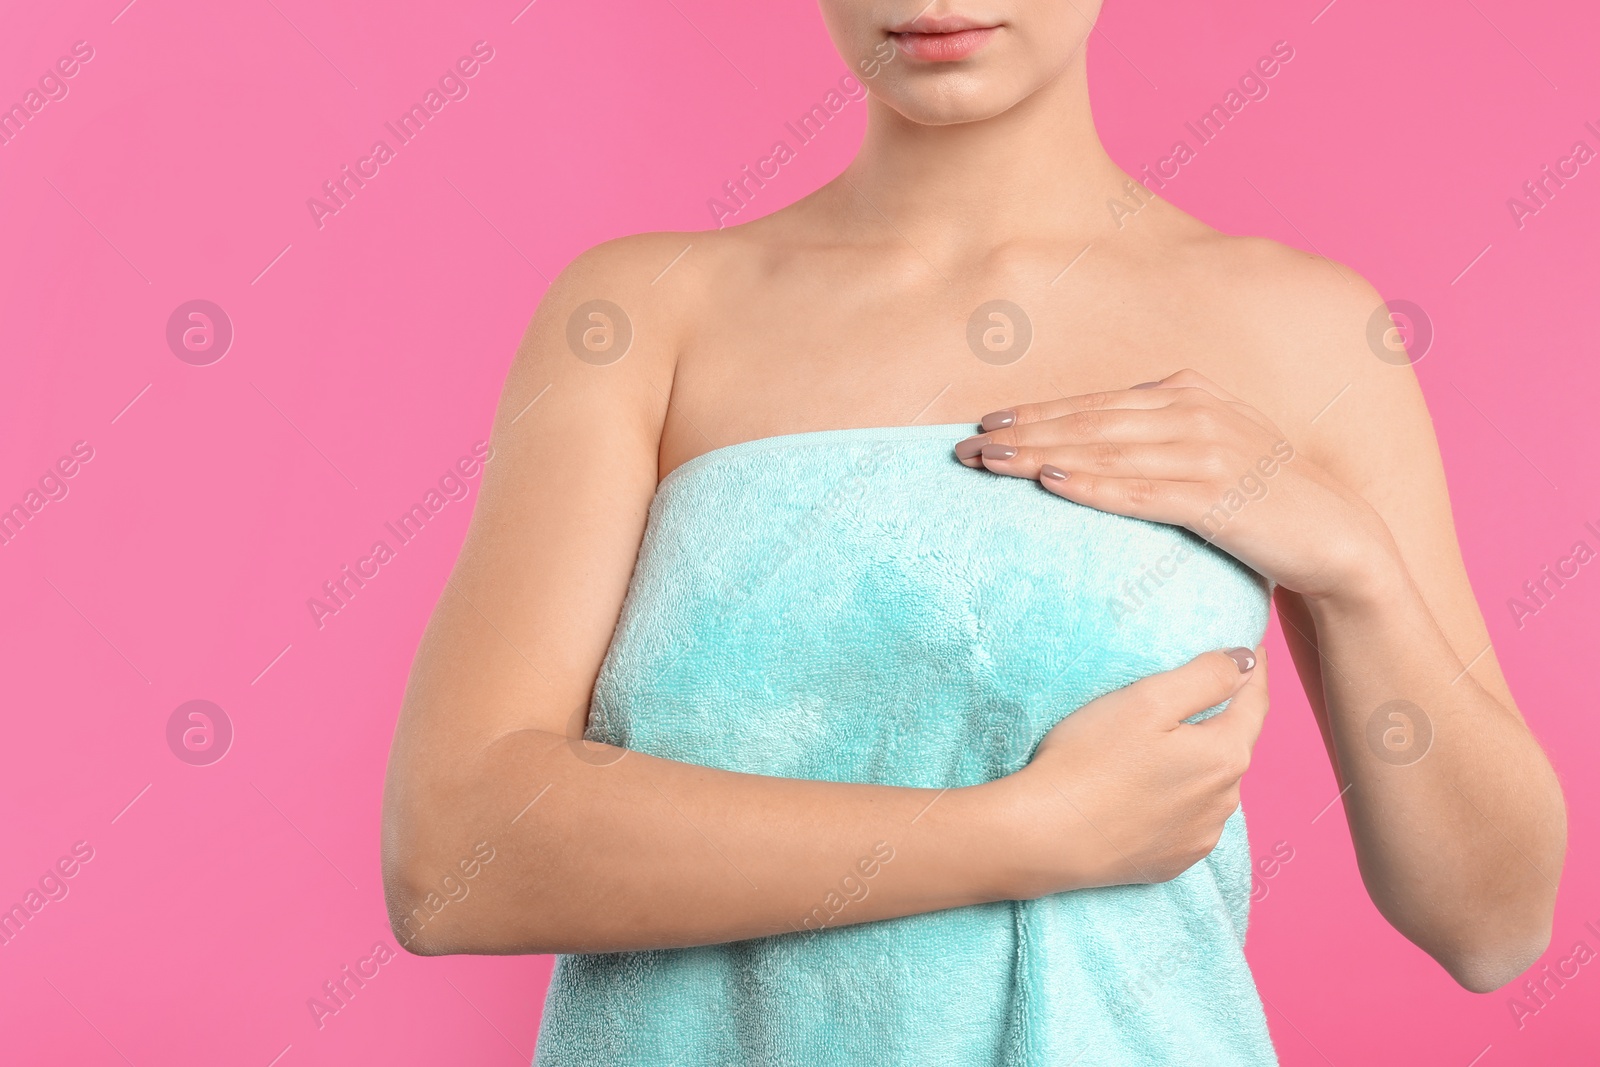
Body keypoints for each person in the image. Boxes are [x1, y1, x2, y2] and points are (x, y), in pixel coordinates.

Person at [380, 3, 1566, 1063]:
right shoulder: (643, 314)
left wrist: (1354, 564)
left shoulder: (1303, 330)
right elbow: (453, 856)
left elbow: (1493, 924)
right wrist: (1023, 832)